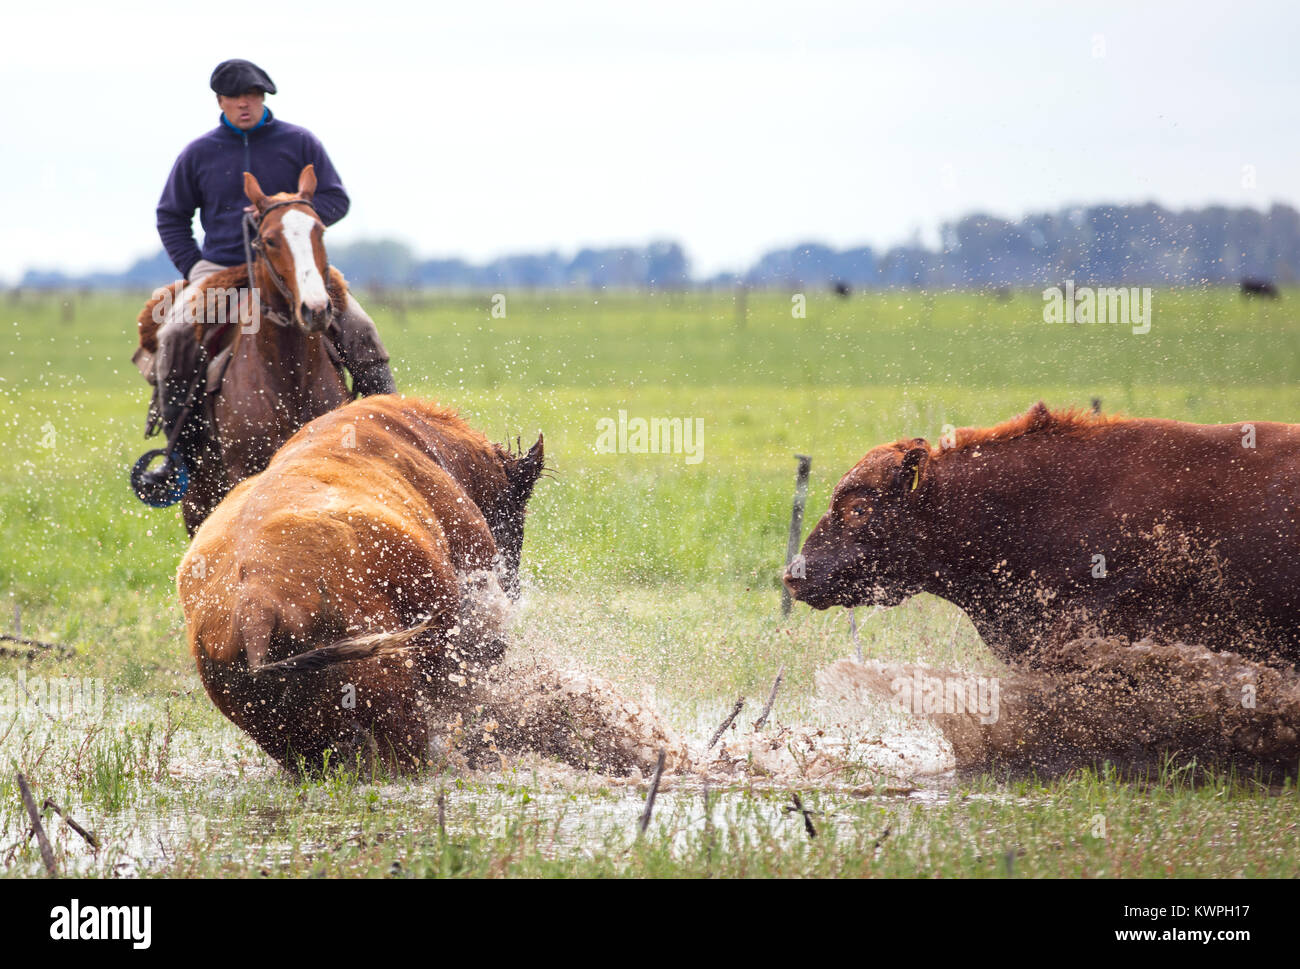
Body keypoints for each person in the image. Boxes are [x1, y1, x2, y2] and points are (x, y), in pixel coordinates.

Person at [141, 58, 396, 468]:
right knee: (173, 333)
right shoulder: (198, 153)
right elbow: (171, 216)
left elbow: (335, 199)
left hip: (296, 265)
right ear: (220, 102)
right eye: (235, 98)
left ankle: (391, 432)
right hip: (222, 269)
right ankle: (178, 451)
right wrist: (193, 269)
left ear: (263, 99)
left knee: (361, 327)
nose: (245, 104)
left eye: (253, 97)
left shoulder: (299, 142)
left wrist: (287, 217)